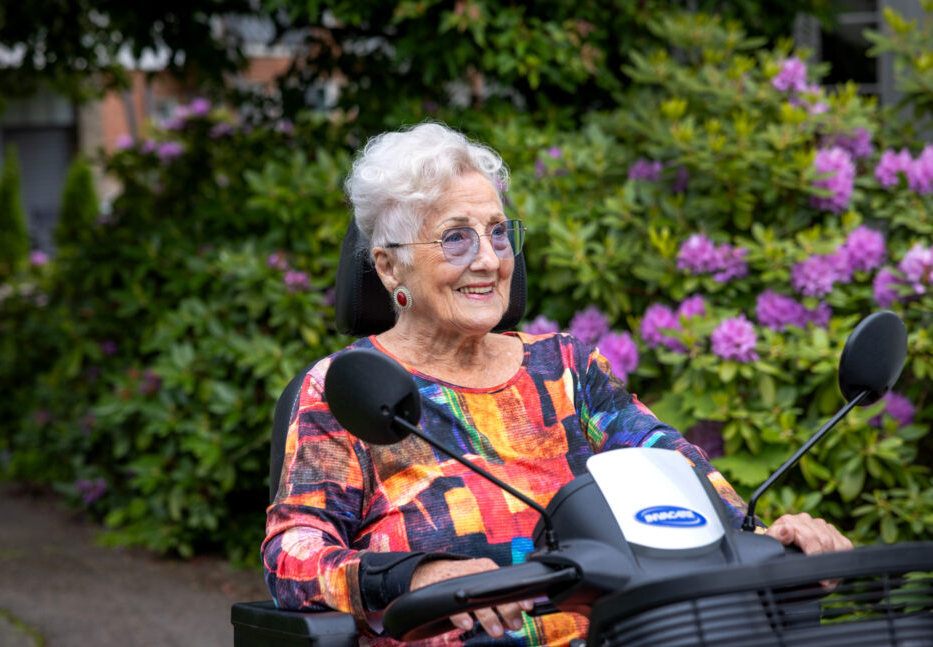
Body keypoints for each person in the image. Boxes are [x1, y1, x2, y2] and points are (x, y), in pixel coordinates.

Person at [262, 123, 852, 646]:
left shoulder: (565, 368)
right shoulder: (345, 389)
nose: (489, 260)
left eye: (498, 232)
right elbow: (293, 557)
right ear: (390, 266)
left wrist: (763, 536)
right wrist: (419, 576)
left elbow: (672, 469)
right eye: (456, 238)